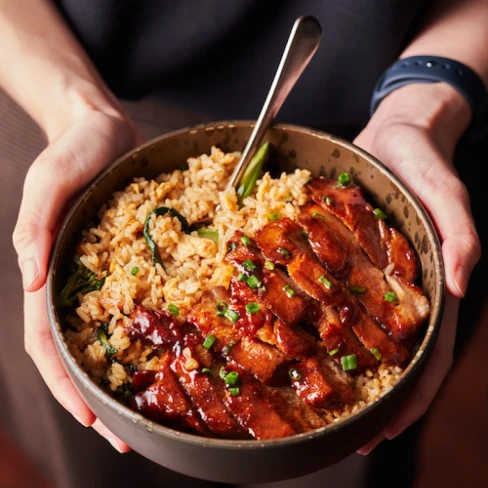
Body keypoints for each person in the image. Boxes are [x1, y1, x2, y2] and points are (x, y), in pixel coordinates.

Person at [0, 1, 486, 487]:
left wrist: (426, 99)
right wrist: (71, 108)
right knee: (92, 463)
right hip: (60, 100)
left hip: (374, 134)